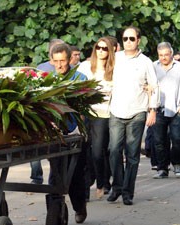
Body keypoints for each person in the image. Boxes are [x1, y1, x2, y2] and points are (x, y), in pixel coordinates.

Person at [107, 26, 159, 205]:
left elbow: (154, 85)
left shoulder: (146, 61)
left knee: (132, 154)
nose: (128, 41)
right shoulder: (115, 59)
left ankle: (128, 192)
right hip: (116, 110)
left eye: (131, 38)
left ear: (138, 40)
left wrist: (153, 109)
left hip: (137, 111)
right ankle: (117, 187)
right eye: (125, 38)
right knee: (113, 150)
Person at [49, 43, 88, 223]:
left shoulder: (79, 78)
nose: (59, 65)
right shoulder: (46, 79)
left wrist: (80, 128)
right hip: (53, 134)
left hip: (74, 133)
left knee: (75, 175)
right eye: (56, 61)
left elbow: (84, 107)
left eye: (62, 61)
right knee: (55, 175)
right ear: (51, 61)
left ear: (70, 59)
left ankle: (79, 207)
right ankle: (54, 212)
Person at [77, 37, 115, 200]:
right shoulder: (85, 66)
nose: (101, 51)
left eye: (105, 48)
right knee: (84, 151)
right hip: (86, 112)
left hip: (104, 114)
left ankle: (101, 183)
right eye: (98, 48)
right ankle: (85, 189)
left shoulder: (114, 69)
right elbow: (78, 88)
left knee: (98, 152)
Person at [152, 42, 180, 179]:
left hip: (176, 109)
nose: (163, 58)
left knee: (177, 139)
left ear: (171, 54)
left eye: (166, 55)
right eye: (161, 55)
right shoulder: (153, 66)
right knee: (159, 141)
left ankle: (176, 164)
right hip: (158, 109)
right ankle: (162, 169)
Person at [31, 38, 65, 184]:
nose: (59, 63)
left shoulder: (70, 71)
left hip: (59, 117)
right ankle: (37, 176)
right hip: (44, 114)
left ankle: (54, 182)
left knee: (55, 154)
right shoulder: (41, 68)